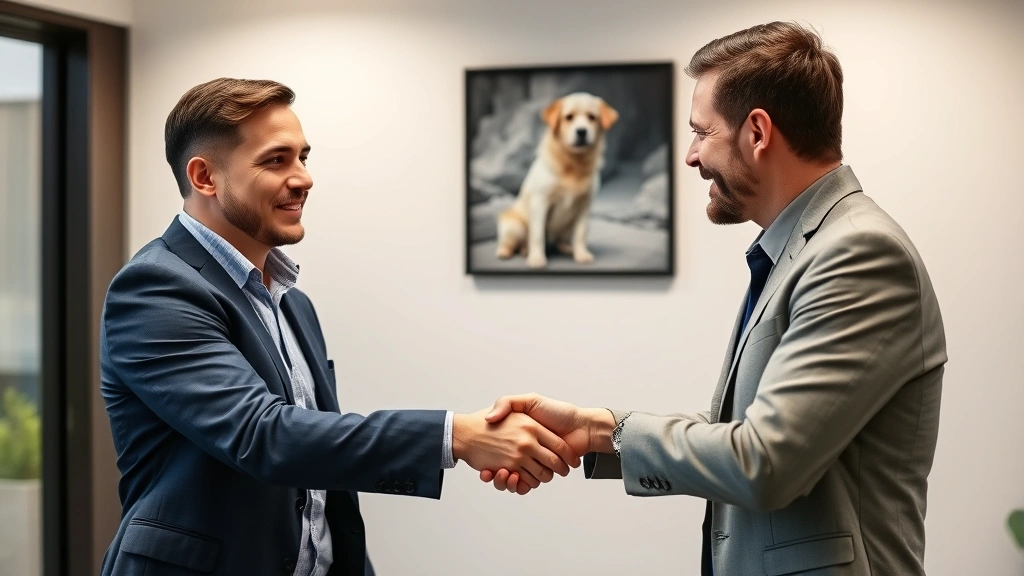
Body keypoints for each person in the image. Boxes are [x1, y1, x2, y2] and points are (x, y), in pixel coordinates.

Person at [481, 21, 946, 576]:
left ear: (757, 132)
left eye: (702, 132)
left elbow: (764, 461)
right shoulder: (804, 247)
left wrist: (608, 431)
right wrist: (592, 426)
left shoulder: (858, 253)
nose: (691, 156)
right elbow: (754, 430)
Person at [99, 78, 581, 576]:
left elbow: (319, 483)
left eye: (303, 157)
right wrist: (455, 435)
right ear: (204, 177)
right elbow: (262, 435)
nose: (303, 178)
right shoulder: (155, 289)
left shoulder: (293, 303)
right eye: (276, 160)